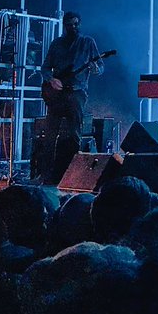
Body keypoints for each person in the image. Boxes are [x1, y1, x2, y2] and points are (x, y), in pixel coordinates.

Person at [39, 11, 104, 185]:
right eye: (69, 25)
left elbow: (100, 67)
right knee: (50, 134)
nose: (73, 28)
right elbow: (45, 68)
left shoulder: (87, 42)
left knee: (74, 134)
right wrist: (51, 80)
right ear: (64, 25)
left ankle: (72, 175)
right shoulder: (57, 44)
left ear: (80, 24)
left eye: (76, 24)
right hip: (57, 94)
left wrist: (95, 67)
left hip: (77, 92)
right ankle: (46, 175)